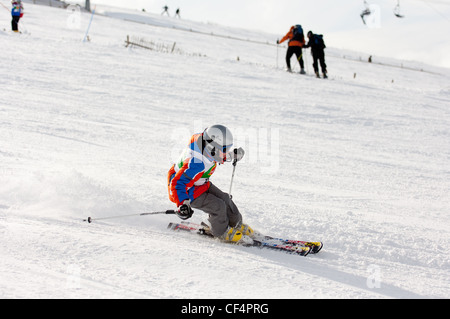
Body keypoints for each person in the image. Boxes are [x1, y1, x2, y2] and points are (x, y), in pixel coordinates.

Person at [167, 125, 252, 243]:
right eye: (224, 150)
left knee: (225, 199)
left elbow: (216, 156)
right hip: (186, 190)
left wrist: (232, 155)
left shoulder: (206, 146)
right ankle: (221, 232)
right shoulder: (196, 164)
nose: (226, 153)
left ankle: (236, 224)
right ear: (213, 148)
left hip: (199, 182)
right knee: (218, 206)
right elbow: (177, 183)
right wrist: (182, 204)